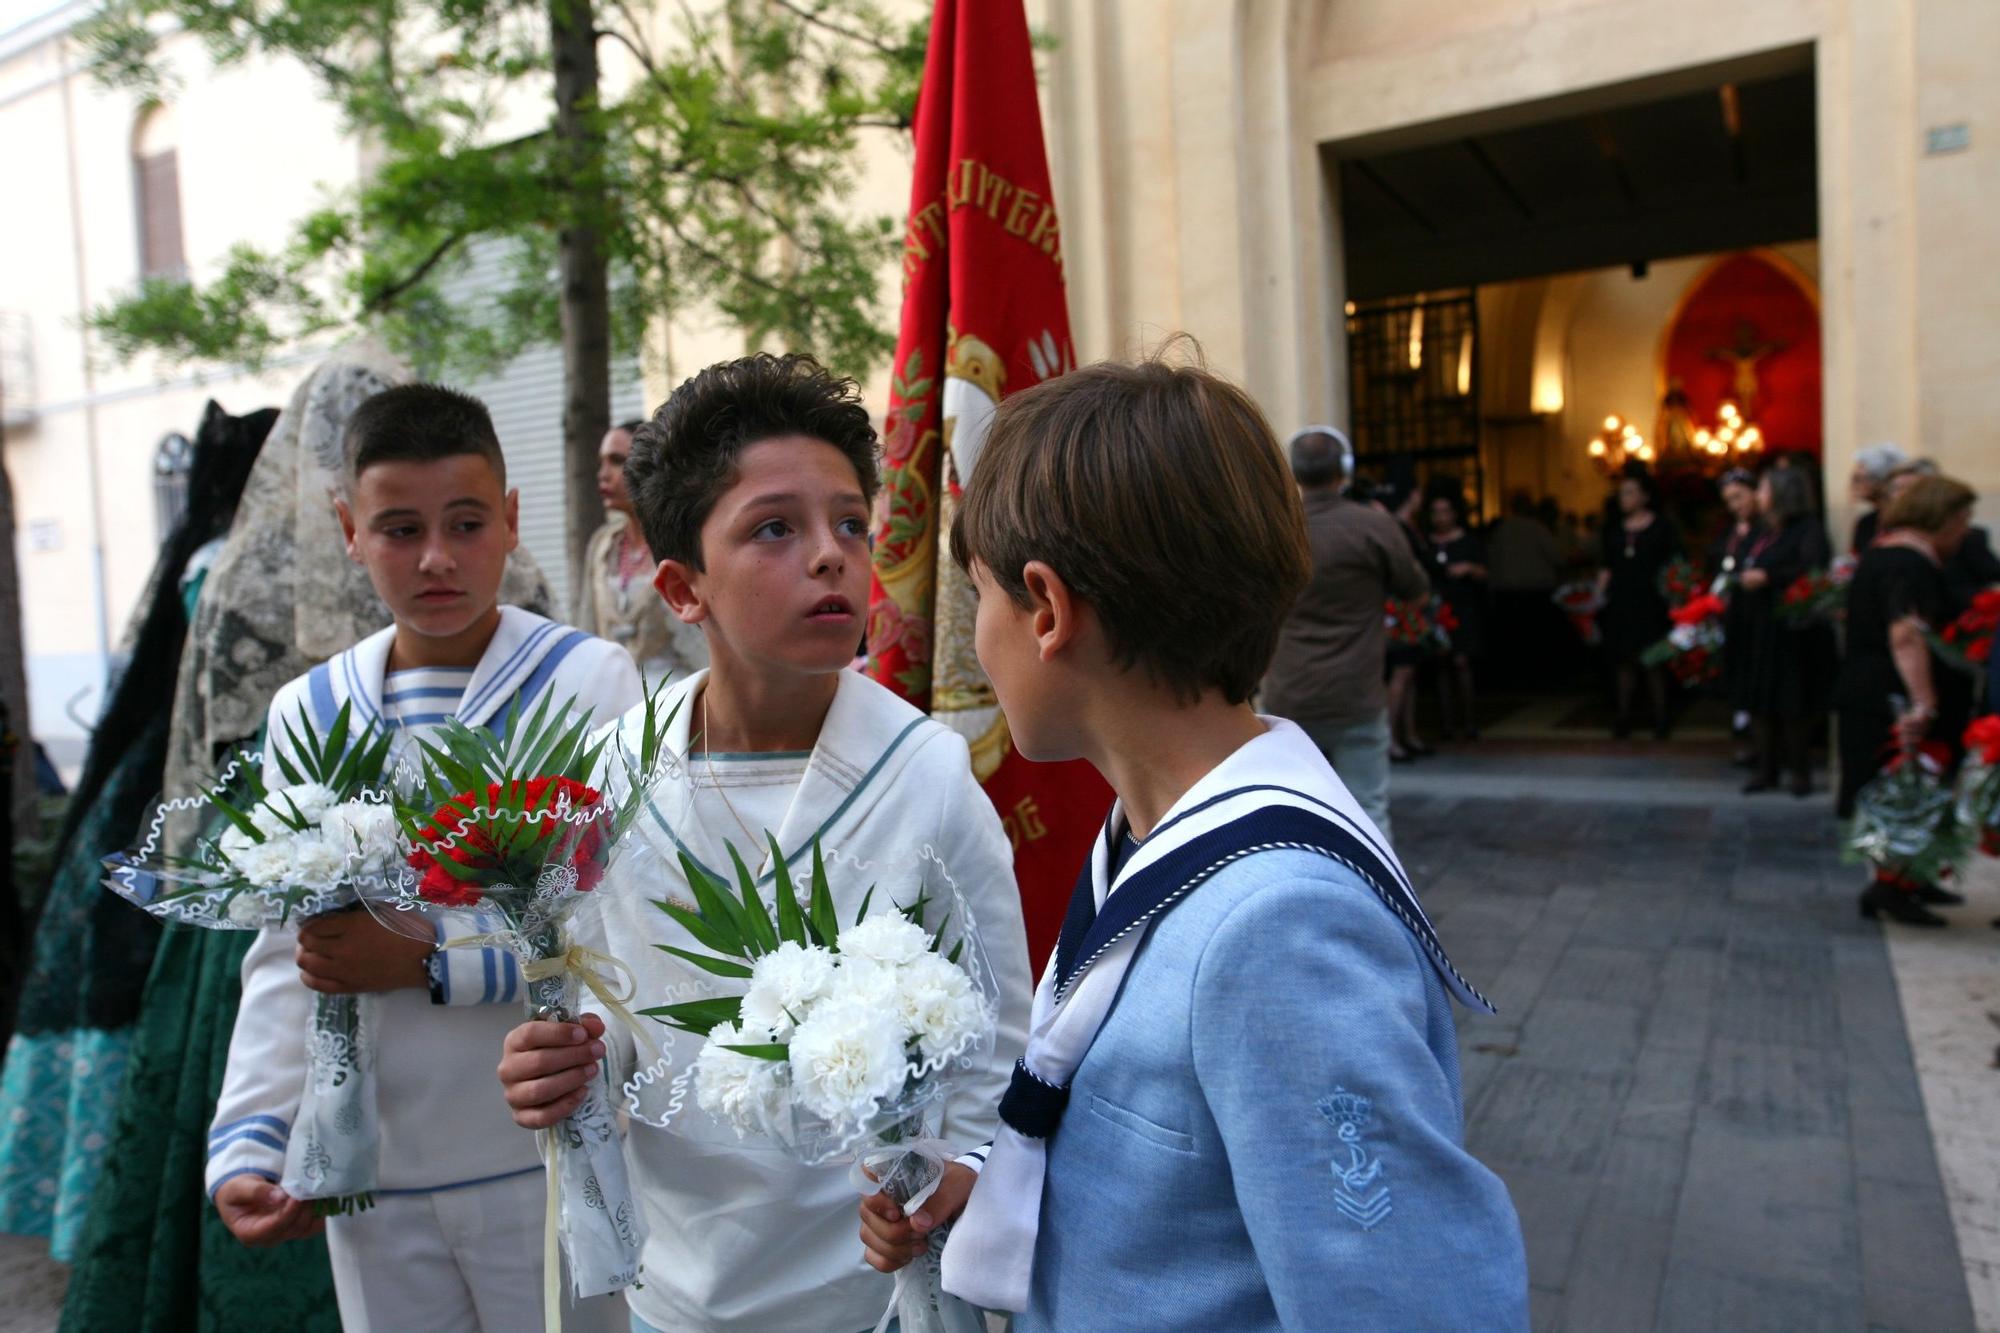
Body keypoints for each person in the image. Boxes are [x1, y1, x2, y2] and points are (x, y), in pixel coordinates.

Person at [858, 354, 1528, 1330]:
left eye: (979, 601)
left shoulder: (1277, 932)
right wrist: (1006, 1191)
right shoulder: (1150, 828)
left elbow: (1404, 1303)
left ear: (1044, 608)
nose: (978, 641)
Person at [495, 353, 1032, 1333]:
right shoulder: (617, 772)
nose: (830, 555)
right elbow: (621, 1008)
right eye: (774, 528)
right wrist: (574, 1059)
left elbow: (996, 1049)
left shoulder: (923, 777)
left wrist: (954, 1184)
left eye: (849, 524)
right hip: (680, 1292)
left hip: (870, 1294)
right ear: (680, 586)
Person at [206, 384, 642, 1332]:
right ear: (348, 529)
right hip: (380, 1167)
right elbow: (290, 956)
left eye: (466, 522)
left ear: (512, 520)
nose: (437, 557)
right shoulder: (309, 712)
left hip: (539, 1148)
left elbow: (610, 932)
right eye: (399, 528)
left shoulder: (585, 682)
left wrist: (423, 962)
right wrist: (250, 1135)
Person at [1260, 427, 1428, 840]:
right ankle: (1375, 900)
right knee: (1368, 808)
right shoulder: (1373, 526)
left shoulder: (1274, 529)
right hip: (1357, 694)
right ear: (1345, 470)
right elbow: (1416, 591)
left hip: (1291, 695)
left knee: (1293, 810)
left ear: (1293, 473)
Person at [1834, 473, 1979, 924]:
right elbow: (1906, 635)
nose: (1964, 531)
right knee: (1903, 785)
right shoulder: (1906, 563)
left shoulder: (1892, 554)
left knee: (1913, 787)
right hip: (1891, 694)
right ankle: (1888, 888)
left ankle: (1909, 879)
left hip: (1874, 686)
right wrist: (1924, 704)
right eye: (1962, 520)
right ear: (1941, 518)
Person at [580, 419, 710, 683]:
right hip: (611, 693)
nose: (603, 474)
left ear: (648, 466)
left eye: (616, 460)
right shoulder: (602, 544)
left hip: (672, 692)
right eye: (601, 462)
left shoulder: (681, 540)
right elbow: (587, 628)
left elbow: (701, 639)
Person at [1736, 468, 1833, 796]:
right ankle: (1766, 769)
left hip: (1791, 628)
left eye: (1762, 489)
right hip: (1758, 626)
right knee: (1760, 700)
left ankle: (1799, 771)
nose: (1757, 496)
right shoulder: (1761, 530)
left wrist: (1768, 577)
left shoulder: (1807, 530)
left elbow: (1811, 569)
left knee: (1793, 702)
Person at [1595, 467, 1680, 739]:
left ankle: (1661, 717)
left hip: (1652, 601)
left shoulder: (1662, 527)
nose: (1624, 498)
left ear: (1645, 496)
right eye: (1622, 493)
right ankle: (1623, 716)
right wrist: (1595, 598)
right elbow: (1606, 566)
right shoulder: (1614, 530)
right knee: (1624, 661)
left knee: (1653, 660)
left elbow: (1674, 565)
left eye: (1630, 492)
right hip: (1621, 601)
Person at [1425, 485, 1488, 741]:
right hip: (1436, 608)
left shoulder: (1469, 541)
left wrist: (1469, 569)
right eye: (1436, 512)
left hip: (1463, 607)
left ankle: (1470, 721)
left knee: (1462, 663)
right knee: (1441, 664)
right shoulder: (1426, 543)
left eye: (1445, 512)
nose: (1441, 517)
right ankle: (1447, 724)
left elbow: (1486, 572)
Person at [1709, 469, 1761, 764]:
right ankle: (1746, 738)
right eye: (1729, 500)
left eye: (1739, 496)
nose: (1735, 505)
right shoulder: (1727, 532)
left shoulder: (1767, 530)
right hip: (1732, 617)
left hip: (1758, 616)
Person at [1485, 491, 1563, 687]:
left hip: (1508, 593)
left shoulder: (1502, 530)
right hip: (1535, 592)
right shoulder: (1537, 529)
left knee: (1514, 640)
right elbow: (1557, 558)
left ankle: (1516, 677)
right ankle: (1538, 677)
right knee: (1536, 640)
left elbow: (1491, 560)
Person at [1381, 479, 1434, 761]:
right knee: (1400, 675)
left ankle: (1407, 734)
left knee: (1409, 674)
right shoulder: (1394, 527)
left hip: (1408, 609)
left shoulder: (1403, 526)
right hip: (1400, 611)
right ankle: (1391, 738)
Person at [1849, 443, 1909, 554]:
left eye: (1859, 478)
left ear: (1883, 481)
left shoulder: (1905, 521)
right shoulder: (1866, 522)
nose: (1853, 485)